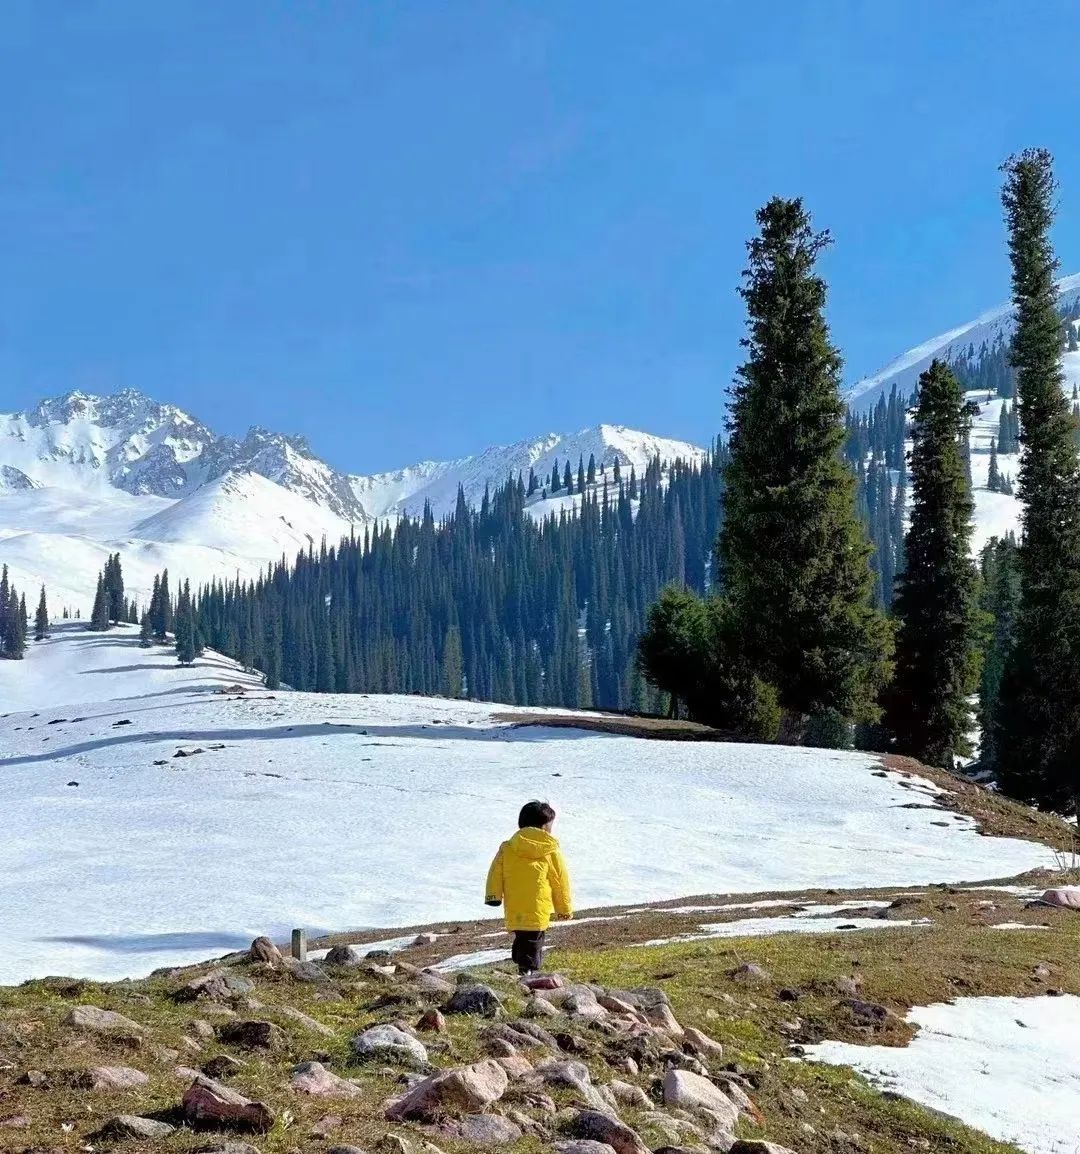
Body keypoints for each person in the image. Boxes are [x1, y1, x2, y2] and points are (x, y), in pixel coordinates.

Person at [484, 799, 573, 975]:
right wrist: (564, 909)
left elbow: (495, 873)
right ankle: (528, 973)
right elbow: (560, 881)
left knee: (523, 936)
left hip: (515, 906)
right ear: (544, 827)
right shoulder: (551, 851)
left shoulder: (508, 848)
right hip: (539, 907)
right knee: (534, 940)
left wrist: (493, 897)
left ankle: (522, 968)